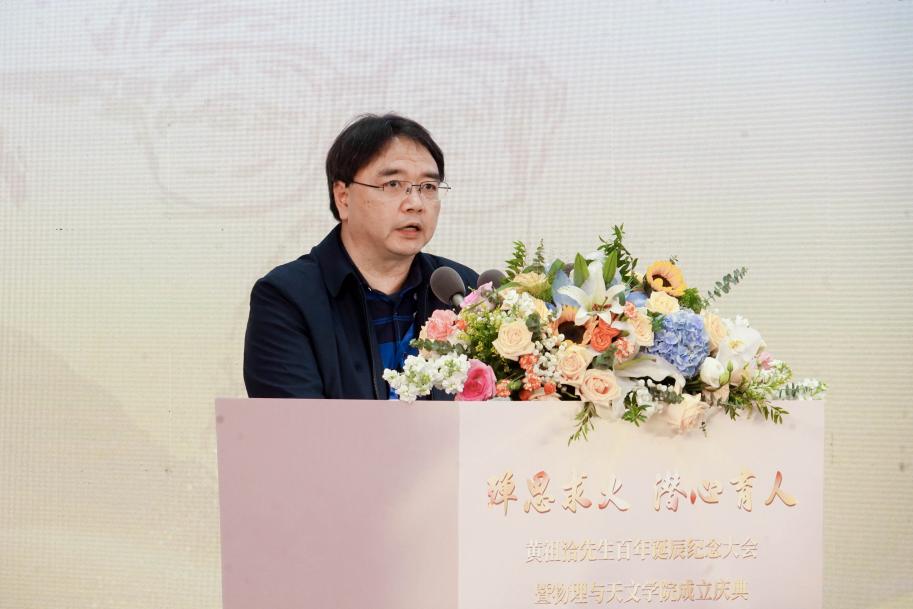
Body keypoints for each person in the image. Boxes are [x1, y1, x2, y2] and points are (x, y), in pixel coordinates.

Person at [244, 114, 477, 399]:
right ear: (343, 197)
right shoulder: (287, 298)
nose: (416, 203)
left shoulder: (465, 293)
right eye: (393, 184)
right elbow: (294, 422)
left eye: (428, 187)